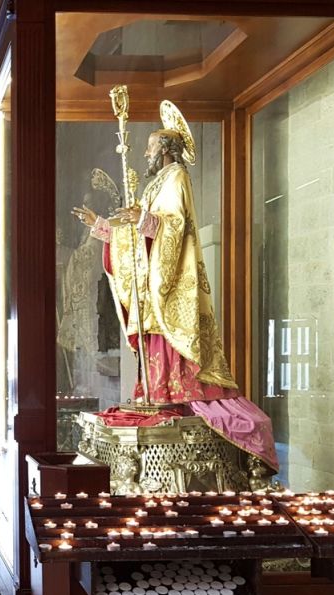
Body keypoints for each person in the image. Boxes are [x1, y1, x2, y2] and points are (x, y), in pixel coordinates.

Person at [71, 100, 276, 470]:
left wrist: (144, 219)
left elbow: (175, 227)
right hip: (151, 280)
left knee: (170, 337)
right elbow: (135, 237)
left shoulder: (177, 177)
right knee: (153, 340)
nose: (146, 154)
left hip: (171, 280)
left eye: (150, 148)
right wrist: (102, 226)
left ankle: (175, 393)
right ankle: (158, 392)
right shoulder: (155, 183)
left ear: (166, 149)